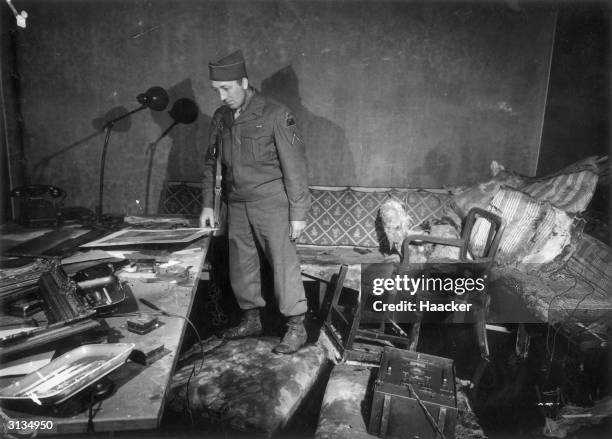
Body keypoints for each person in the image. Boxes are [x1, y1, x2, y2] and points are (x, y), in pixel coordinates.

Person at [200, 50, 311, 354]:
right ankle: (251, 320)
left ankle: (296, 327)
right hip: (236, 204)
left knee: (283, 265)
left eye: (227, 88)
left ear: (244, 82)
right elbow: (211, 164)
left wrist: (298, 212)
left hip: (271, 203)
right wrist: (208, 205)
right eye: (217, 90)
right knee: (241, 265)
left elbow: (295, 167)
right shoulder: (221, 119)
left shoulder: (275, 114)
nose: (222, 96)